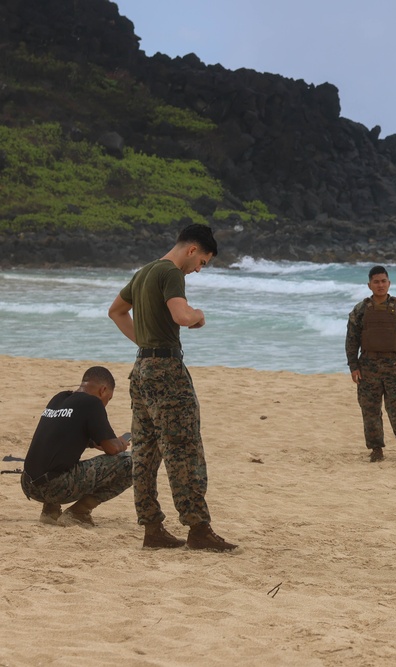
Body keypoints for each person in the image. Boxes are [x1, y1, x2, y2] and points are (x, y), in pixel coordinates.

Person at [108, 223, 237, 551]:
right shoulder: (171, 273)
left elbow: (116, 311)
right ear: (193, 250)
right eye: (203, 263)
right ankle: (198, 529)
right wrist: (198, 315)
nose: (198, 270)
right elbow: (181, 315)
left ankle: (152, 528)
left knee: (145, 452)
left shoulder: (144, 272)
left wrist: (145, 342)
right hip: (166, 371)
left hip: (142, 370)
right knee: (184, 448)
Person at [20, 366, 132, 528]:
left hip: (28, 484)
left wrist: (94, 444)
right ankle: (79, 512)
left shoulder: (59, 398)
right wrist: (121, 442)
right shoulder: (92, 403)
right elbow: (112, 449)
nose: (106, 403)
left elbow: (62, 434)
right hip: (53, 487)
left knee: (57, 461)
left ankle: (50, 511)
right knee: (132, 462)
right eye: (109, 398)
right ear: (103, 390)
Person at [346, 265, 396, 462]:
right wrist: (354, 367)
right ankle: (376, 450)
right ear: (369, 285)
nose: (380, 285)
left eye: (383, 281)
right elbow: (352, 339)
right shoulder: (360, 310)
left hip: (393, 365)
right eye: (376, 282)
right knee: (370, 409)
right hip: (368, 366)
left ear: (389, 283)